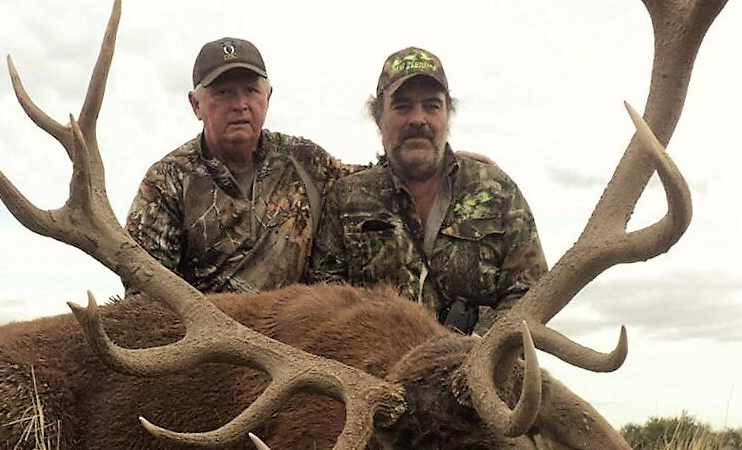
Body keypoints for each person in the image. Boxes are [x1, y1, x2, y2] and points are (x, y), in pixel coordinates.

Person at [310, 47, 547, 333]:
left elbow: (533, 294)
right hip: (375, 372)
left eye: (432, 106)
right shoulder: (347, 199)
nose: (418, 119)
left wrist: (480, 344)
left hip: (481, 370)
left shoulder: (497, 191)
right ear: (378, 117)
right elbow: (325, 304)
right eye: (402, 106)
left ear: (448, 114)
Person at [126, 37, 348, 293]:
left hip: (295, 328)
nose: (240, 105)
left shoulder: (307, 161)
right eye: (223, 93)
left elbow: (370, 184)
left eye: (251, 91)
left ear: (268, 97)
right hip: (206, 331)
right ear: (196, 104)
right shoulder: (167, 181)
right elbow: (144, 290)